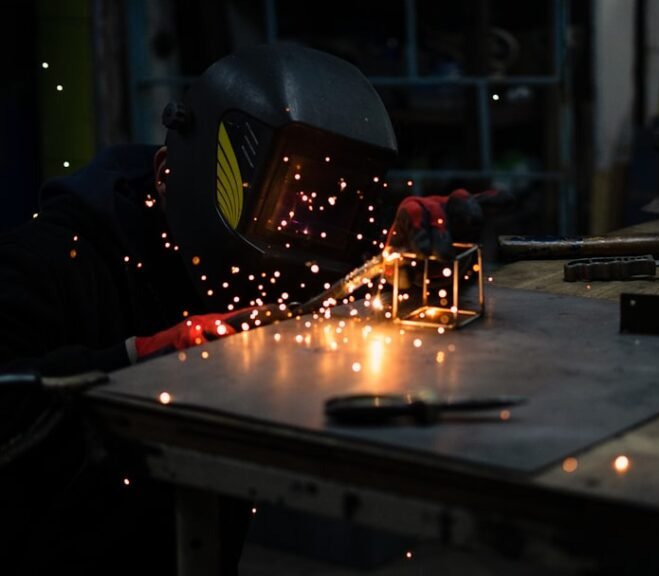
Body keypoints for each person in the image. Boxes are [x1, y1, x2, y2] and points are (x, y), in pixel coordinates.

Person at [0, 42, 500, 575]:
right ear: (169, 172)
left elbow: (333, 274)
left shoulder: (301, 253)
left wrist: (399, 252)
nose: (302, 227)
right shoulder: (52, 260)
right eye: (285, 197)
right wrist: (139, 357)